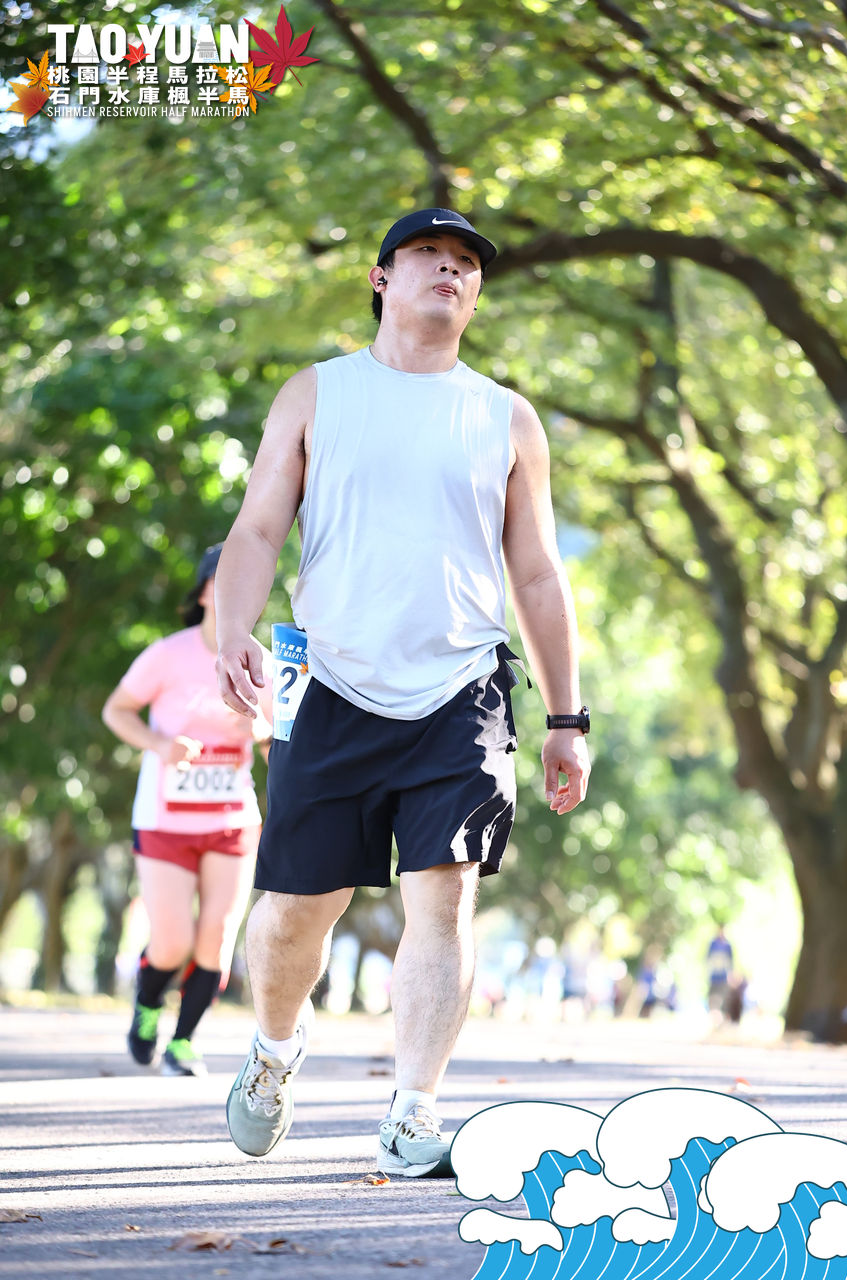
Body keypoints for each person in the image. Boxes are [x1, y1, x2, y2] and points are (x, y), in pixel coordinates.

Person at [214, 207, 591, 1175]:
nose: (449, 270)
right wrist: (231, 631)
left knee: (446, 896)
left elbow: (537, 572)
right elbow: (257, 529)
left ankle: (414, 1109)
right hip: (328, 678)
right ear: (381, 277)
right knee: (297, 908)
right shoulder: (318, 393)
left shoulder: (505, 417)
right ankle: (274, 1048)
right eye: (428, 254)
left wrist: (566, 717)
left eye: (466, 262)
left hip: (463, 687)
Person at [102, 544, 272, 1077]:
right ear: (203, 592)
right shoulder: (167, 655)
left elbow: (278, 747)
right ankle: (148, 1002)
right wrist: (160, 745)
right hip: (164, 819)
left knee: (215, 941)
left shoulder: (265, 664)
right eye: (223, 579)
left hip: (231, 820)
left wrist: (261, 730)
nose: (234, 589)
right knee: (172, 943)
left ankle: (182, 1043)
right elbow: (116, 711)